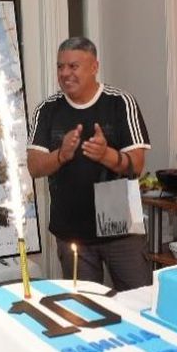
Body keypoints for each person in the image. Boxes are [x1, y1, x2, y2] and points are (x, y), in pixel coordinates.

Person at [26, 37, 152, 291]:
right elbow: (34, 167)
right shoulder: (47, 109)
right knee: (84, 308)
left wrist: (105, 154)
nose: (65, 73)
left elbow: (136, 166)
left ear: (94, 67)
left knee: (139, 299)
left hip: (118, 221)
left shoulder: (119, 102)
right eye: (60, 67)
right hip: (70, 227)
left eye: (73, 66)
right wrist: (61, 154)